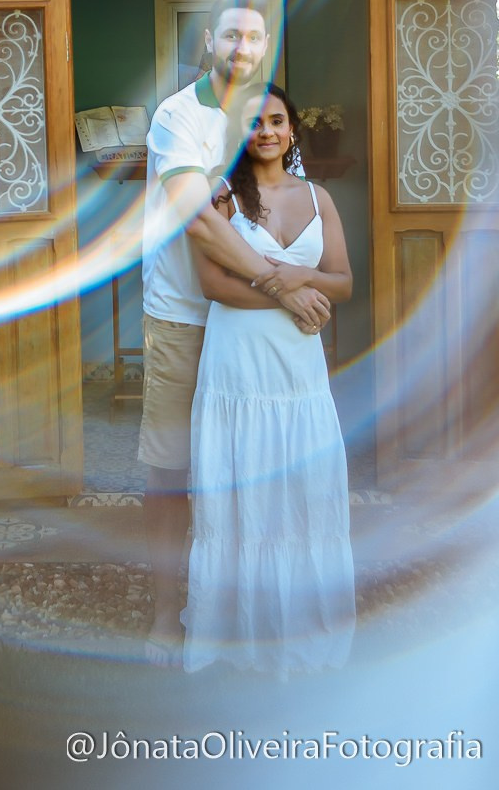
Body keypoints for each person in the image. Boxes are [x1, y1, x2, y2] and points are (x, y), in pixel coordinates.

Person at [139, 1, 328, 665]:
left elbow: (287, 213)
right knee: (173, 471)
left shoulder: (264, 120)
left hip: (253, 328)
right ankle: (168, 612)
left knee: (245, 473)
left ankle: (245, 609)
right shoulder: (177, 116)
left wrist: (302, 289)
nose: (242, 44)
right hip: (185, 315)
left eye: (254, 34)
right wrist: (282, 284)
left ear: (264, 42)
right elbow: (198, 220)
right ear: (211, 41)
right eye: (230, 33)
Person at [182, 83, 356, 675]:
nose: (266, 132)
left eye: (277, 121)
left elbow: (342, 283)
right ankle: (236, 635)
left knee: (303, 488)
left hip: (298, 369)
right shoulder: (222, 197)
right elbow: (213, 284)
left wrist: (293, 279)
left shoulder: (319, 198)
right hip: (239, 363)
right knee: (244, 488)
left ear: (293, 129)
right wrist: (288, 296)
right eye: (255, 123)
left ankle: (303, 630)